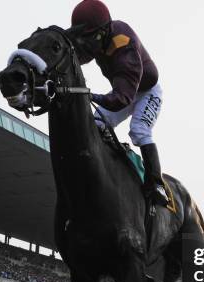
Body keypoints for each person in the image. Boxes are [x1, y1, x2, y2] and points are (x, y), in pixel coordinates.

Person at [70, 0, 169, 205]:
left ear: (103, 32)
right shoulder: (100, 36)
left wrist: (91, 96)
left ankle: (156, 184)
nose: (85, 43)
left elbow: (121, 99)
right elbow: (76, 55)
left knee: (139, 130)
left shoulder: (123, 44)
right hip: (125, 88)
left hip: (146, 91)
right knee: (97, 122)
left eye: (88, 38)